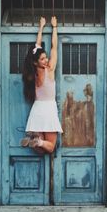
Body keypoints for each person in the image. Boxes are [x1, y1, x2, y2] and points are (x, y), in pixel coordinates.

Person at [21, 16, 63, 154]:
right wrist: (55, 27)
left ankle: (36, 141)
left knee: (40, 152)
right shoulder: (49, 70)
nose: (46, 60)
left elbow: (36, 49)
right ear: (36, 61)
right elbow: (54, 47)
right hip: (49, 108)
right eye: (43, 58)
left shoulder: (32, 73)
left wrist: (41, 28)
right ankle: (38, 141)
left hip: (37, 109)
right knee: (50, 147)